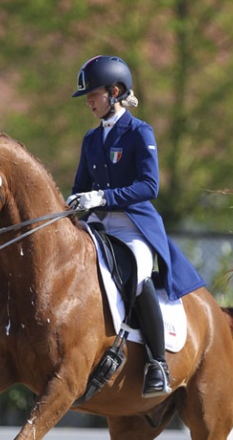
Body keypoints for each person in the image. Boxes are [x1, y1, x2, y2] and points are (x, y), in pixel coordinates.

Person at [68, 55, 204, 397]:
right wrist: (73, 204)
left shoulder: (139, 132)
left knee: (139, 275)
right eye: (87, 95)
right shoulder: (90, 140)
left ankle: (156, 363)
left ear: (114, 92)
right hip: (98, 227)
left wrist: (100, 198)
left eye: (94, 93)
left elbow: (149, 186)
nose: (88, 100)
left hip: (133, 227)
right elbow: (80, 188)